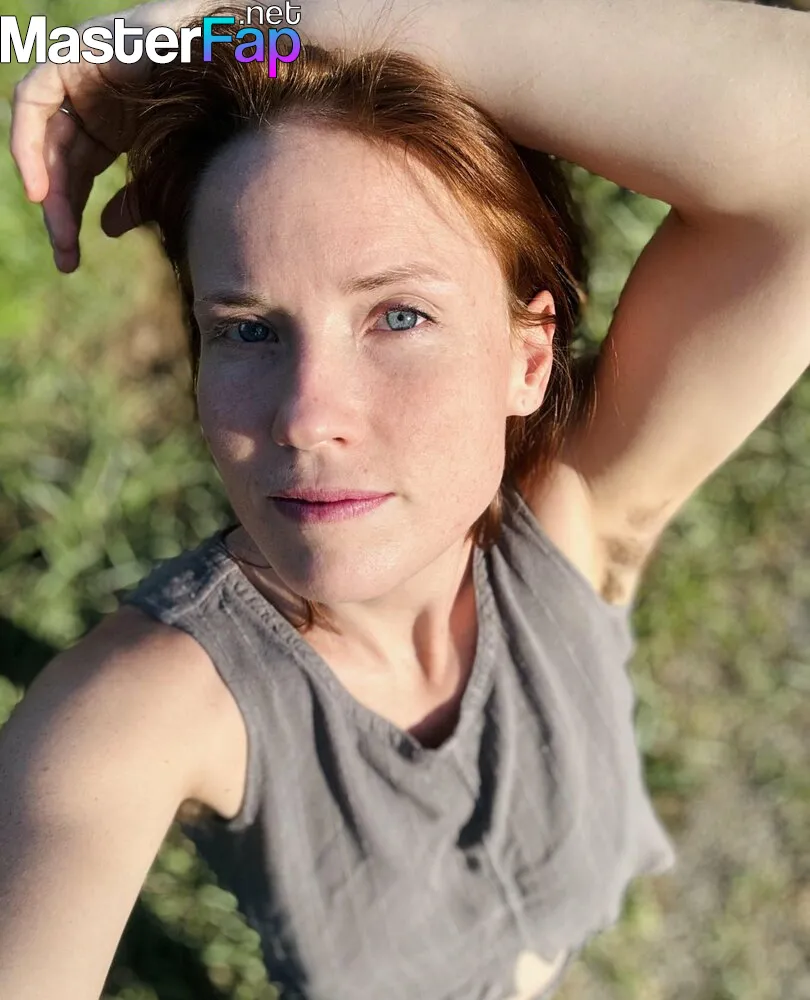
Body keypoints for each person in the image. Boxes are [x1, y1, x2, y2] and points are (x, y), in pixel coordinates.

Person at [3, 1, 809, 998]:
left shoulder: (576, 525)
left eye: (398, 316)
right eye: (248, 330)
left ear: (527, 359)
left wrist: (260, 19)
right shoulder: (143, 712)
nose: (307, 418)